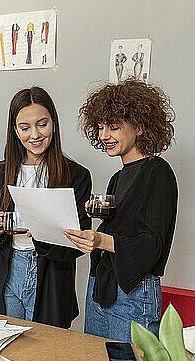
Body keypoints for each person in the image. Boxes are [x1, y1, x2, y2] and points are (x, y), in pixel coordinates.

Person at [0, 86, 92, 328]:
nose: (34, 135)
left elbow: (80, 243)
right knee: (2, 351)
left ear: (54, 124)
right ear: (15, 131)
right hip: (4, 272)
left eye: (42, 124)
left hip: (51, 278)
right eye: (25, 128)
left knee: (44, 357)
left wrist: (45, 234)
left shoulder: (75, 175)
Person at [65, 78, 177, 340]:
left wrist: (101, 239)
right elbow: (126, 225)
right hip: (101, 288)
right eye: (101, 127)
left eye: (113, 127)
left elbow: (151, 245)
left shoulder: (157, 172)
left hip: (133, 293)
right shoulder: (118, 178)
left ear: (139, 126)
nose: (104, 135)